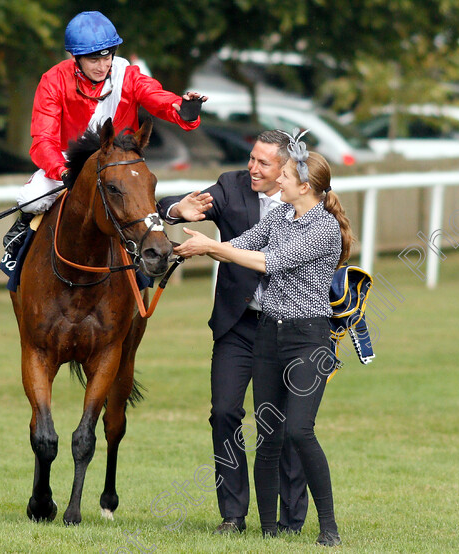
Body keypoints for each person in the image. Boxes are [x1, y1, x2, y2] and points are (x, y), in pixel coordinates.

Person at [175, 137, 352, 547]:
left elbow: (270, 262)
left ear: (304, 185)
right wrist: (195, 250)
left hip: (308, 338)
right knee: (268, 437)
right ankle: (269, 531)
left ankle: (328, 528)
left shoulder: (322, 227)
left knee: (299, 432)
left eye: (286, 175)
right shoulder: (281, 218)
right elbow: (242, 246)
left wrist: (212, 247)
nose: (279, 181)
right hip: (270, 335)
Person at [156, 130, 311, 535]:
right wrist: (177, 210)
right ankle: (233, 514)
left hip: (288, 328)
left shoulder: (306, 202)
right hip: (237, 326)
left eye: (263, 163)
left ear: (285, 170)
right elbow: (165, 206)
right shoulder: (230, 186)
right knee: (224, 412)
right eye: (251, 158)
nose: (252, 168)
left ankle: (290, 519)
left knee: (281, 424)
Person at [2, 10, 207, 259]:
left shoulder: (127, 75)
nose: (103, 66)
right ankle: (20, 245)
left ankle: (143, 262)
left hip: (117, 162)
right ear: (74, 57)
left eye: (107, 57)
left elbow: (155, 96)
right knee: (31, 199)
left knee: (135, 199)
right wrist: (62, 171)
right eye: (93, 60)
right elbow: (43, 140)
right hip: (69, 162)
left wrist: (182, 109)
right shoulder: (53, 80)